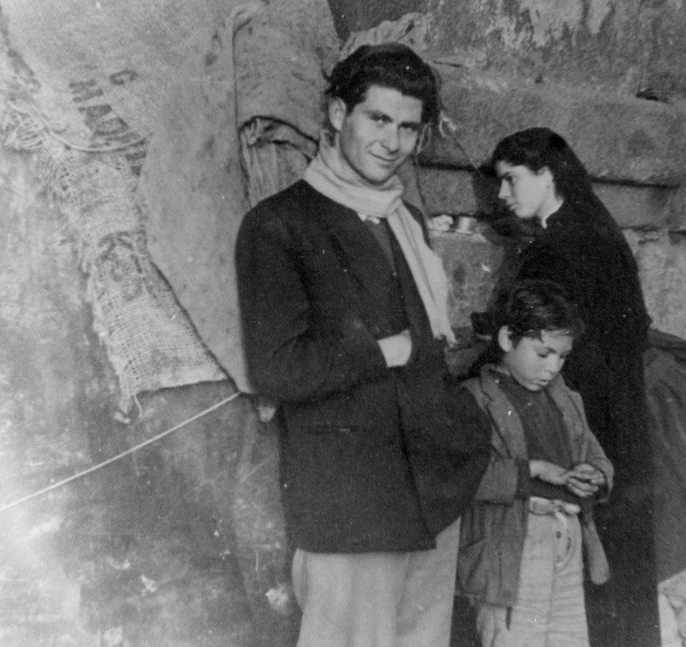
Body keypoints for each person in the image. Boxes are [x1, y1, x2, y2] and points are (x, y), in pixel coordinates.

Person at [235, 43, 491, 647]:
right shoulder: (278, 224)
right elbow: (277, 370)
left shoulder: (407, 221)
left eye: (408, 128)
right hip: (352, 506)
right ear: (335, 113)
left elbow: (431, 351)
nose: (392, 142)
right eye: (377, 119)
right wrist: (383, 352)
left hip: (431, 495)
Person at [480, 127, 660, 646]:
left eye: (512, 180)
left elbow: (533, 341)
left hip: (580, 423)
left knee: (569, 584)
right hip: (619, 419)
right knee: (617, 578)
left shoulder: (557, 247)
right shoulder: (599, 227)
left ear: (547, 174)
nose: (503, 195)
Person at [457, 279, 614, 647]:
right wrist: (534, 470)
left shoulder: (566, 399)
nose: (553, 367)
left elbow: (598, 456)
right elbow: (465, 477)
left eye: (562, 356)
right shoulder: (474, 399)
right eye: (543, 353)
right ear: (507, 339)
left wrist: (596, 474)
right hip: (513, 545)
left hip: (567, 539)